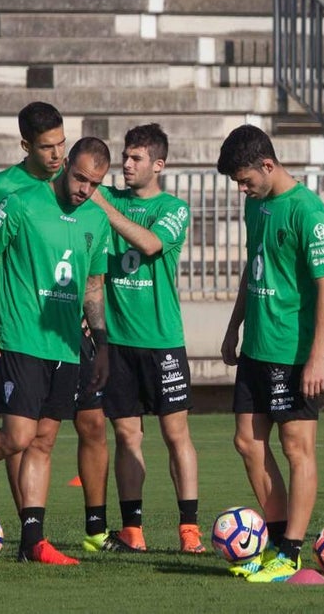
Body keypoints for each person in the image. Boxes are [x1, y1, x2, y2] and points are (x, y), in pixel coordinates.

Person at [0, 102, 113, 548]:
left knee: (47, 436)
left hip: (65, 339)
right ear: (26, 145)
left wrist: (101, 340)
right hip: (19, 330)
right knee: (18, 435)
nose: (55, 156)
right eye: (47, 147)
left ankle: (34, 539)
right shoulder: (9, 191)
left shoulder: (81, 196)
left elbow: (92, 280)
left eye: (60, 145)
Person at [217, 125, 324, 583]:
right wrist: (234, 326)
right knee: (247, 441)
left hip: (293, 352)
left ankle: (290, 551)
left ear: (268, 165)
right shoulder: (257, 205)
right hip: (257, 348)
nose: (242, 189)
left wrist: (317, 356)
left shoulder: (308, 210)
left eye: (246, 179)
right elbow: (255, 267)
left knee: (296, 448)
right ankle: (274, 539)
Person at [85, 123, 204, 554]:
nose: (127, 164)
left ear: (159, 164)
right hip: (117, 342)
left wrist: (102, 205)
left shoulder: (174, 208)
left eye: (136, 158)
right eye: (125, 155)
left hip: (162, 340)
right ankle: (131, 529)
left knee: (176, 434)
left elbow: (150, 244)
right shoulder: (109, 198)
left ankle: (189, 529)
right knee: (126, 436)